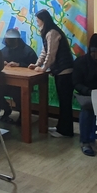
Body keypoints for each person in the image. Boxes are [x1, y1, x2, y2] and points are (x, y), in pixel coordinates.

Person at [29, 9, 75, 138]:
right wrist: (37, 64)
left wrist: (43, 69)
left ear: (44, 20)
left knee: (65, 102)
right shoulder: (48, 33)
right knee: (62, 101)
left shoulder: (52, 33)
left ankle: (65, 131)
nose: (37, 23)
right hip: (60, 72)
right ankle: (61, 127)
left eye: (38, 21)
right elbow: (44, 51)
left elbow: (51, 55)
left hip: (65, 72)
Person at [0, 28, 38, 120]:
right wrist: (2, 63)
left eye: (9, 39)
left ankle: (23, 117)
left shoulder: (28, 51)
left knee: (18, 94)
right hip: (6, 82)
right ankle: (6, 108)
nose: (7, 41)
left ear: (16, 39)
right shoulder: (4, 50)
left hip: (22, 84)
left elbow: (35, 66)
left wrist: (20, 64)